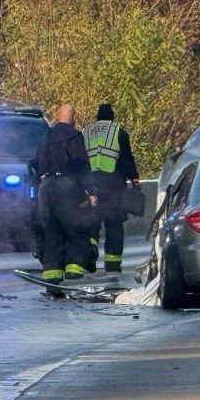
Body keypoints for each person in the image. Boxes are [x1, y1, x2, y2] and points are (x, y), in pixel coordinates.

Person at [35, 104, 97, 284]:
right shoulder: (75, 137)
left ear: (57, 116)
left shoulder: (46, 135)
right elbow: (82, 167)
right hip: (68, 188)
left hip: (46, 187)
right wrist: (91, 192)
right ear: (73, 118)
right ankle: (74, 272)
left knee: (52, 231)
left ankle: (52, 276)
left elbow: (39, 162)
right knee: (76, 230)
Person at [81, 103, 139, 278]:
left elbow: (80, 159)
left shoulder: (86, 132)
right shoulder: (119, 131)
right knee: (113, 225)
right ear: (112, 116)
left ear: (97, 117)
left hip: (91, 186)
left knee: (92, 223)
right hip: (113, 185)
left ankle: (89, 256)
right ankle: (112, 266)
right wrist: (134, 180)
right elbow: (127, 158)